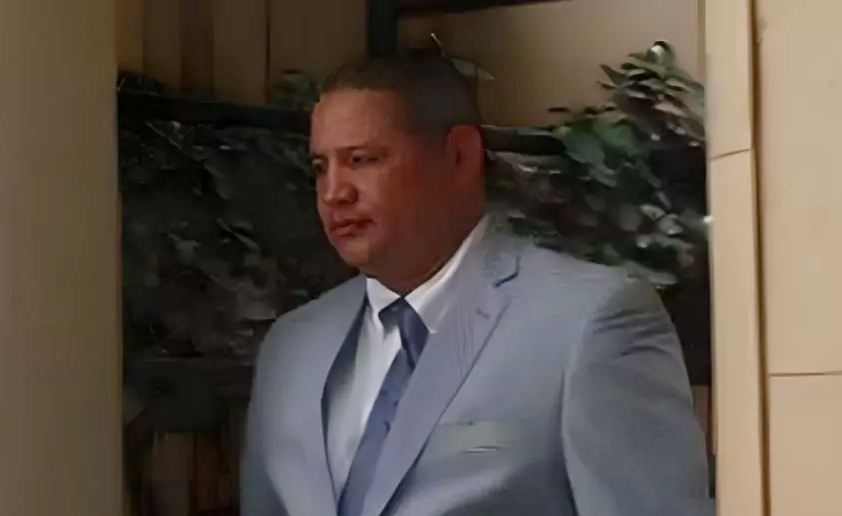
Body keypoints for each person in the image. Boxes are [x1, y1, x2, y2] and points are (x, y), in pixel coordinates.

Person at [241, 53, 712, 516]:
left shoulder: (591, 322)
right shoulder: (292, 345)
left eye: (362, 159)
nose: (334, 192)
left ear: (460, 156)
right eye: (320, 167)